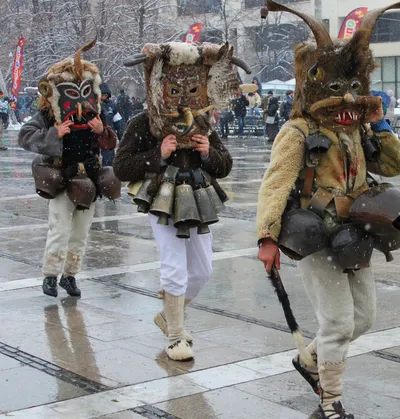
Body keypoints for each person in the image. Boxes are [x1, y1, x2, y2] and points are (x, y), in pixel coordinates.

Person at [257, 2, 400, 418]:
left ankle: (309, 359)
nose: (346, 97)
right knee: (338, 322)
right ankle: (330, 401)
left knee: (363, 318)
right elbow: (275, 184)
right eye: (336, 88)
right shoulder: (298, 131)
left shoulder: (359, 128)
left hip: (358, 234)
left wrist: (380, 126)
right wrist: (266, 237)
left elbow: (392, 166)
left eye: (352, 85)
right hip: (315, 235)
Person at [114, 41, 249, 362]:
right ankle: (176, 335)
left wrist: (208, 152)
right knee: (173, 265)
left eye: (191, 88)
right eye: (174, 88)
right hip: (161, 199)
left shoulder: (203, 122)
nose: (184, 97)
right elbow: (121, 167)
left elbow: (225, 165)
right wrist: (157, 156)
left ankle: (167, 315)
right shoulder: (143, 123)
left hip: (199, 199)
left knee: (202, 269)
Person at [17, 40, 118, 298]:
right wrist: (54, 134)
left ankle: (70, 276)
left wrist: (102, 131)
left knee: (81, 233)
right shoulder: (50, 114)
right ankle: (50, 275)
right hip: (61, 177)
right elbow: (26, 136)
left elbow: (110, 142)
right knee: (59, 228)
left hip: (89, 179)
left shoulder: (96, 114)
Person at [100, 83, 119, 166]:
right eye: (101, 95)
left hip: (108, 133)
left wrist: (121, 135)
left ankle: (108, 170)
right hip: (95, 132)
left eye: (105, 95)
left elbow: (118, 121)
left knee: (108, 155)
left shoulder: (112, 105)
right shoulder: (94, 104)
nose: (103, 97)